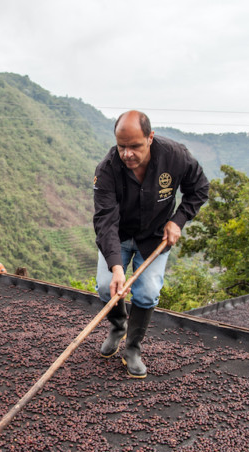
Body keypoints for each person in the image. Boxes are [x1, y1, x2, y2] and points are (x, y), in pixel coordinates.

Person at [93, 110, 209, 378]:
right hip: (118, 236)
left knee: (147, 292)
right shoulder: (107, 169)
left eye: (135, 146)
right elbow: (105, 221)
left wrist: (178, 220)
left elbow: (199, 188)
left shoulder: (175, 156)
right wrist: (117, 268)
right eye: (122, 146)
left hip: (155, 236)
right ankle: (118, 326)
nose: (127, 154)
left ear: (150, 137)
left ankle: (132, 348)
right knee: (105, 286)